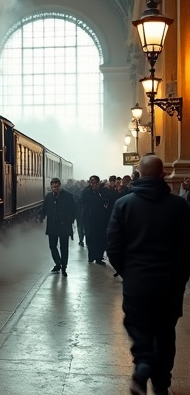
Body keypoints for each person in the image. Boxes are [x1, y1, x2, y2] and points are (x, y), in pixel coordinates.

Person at [107, 155, 190, 395]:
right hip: (169, 284)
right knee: (165, 333)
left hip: (137, 283)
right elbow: (187, 248)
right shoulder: (179, 206)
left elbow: (113, 247)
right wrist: (181, 277)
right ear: (164, 175)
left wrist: (129, 272)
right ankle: (161, 384)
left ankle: (143, 364)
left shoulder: (124, 204)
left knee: (138, 325)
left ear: (138, 175)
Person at [39, 177, 77, 277]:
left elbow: (73, 209)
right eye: (53, 186)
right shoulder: (49, 197)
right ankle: (58, 263)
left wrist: (71, 221)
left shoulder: (68, 196)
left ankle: (64, 267)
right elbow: (44, 208)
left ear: (59, 185)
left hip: (64, 226)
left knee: (64, 248)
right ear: (51, 187)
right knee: (52, 246)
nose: (55, 188)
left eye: (56, 186)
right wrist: (41, 217)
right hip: (52, 226)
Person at [81, 175, 115, 265]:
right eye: (91, 183)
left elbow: (111, 201)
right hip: (90, 219)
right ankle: (91, 256)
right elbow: (82, 203)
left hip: (101, 220)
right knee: (90, 238)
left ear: (98, 183)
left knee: (100, 239)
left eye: (95, 183)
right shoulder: (86, 193)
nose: (93, 185)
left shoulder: (104, 192)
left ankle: (99, 257)